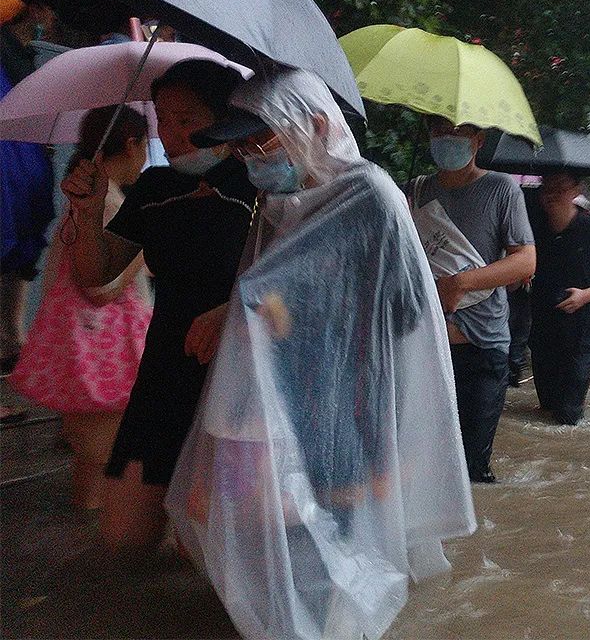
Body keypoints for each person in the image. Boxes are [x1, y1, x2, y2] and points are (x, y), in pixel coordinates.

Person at [166, 69, 475, 640]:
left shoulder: (367, 194)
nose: (249, 158)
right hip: (283, 411)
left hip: (346, 412)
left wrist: (256, 308)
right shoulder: (282, 200)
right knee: (281, 560)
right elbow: (265, 292)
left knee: (327, 563)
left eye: (261, 141)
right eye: (241, 146)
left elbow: (402, 310)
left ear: (312, 125)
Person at [61, 59, 254, 552]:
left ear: (226, 117)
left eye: (186, 119)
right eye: (162, 120)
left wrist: (234, 308)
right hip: (165, 365)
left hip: (236, 370)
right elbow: (96, 274)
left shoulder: (261, 185)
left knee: (216, 550)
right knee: (124, 540)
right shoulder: (153, 188)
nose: (170, 134)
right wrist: (88, 208)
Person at [9, 106, 152, 508]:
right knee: (103, 454)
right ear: (131, 144)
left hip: (79, 344)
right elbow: (100, 289)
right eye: (145, 145)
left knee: (91, 457)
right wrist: (140, 255)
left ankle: (92, 520)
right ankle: (102, 531)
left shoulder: (87, 192)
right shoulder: (107, 202)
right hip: (105, 349)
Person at [406, 117, 535, 483]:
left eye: (456, 134)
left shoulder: (501, 190)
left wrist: (461, 283)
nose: (445, 140)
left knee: (470, 471)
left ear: (477, 141)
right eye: (436, 132)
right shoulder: (413, 192)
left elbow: (525, 259)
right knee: (422, 466)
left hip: (482, 350)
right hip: (425, 346)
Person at [528, 173, 590, 424]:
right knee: (546, 412)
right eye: (547, 188)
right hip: (543, 335)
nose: (551, 194)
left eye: (559, 188)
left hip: (581, 337)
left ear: (575, 191)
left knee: (567, 415)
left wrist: (586, 296)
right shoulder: (534, 230)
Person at [1, 0, 56, 412]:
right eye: (48, 10)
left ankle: (13, 335)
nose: (51, 20)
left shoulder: (25, 54)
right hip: (11, 158)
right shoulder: (6, 48)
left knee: (23, 237)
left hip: (26, 156)